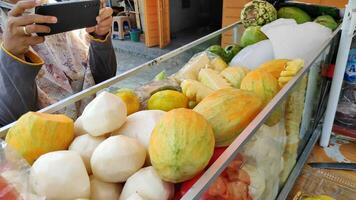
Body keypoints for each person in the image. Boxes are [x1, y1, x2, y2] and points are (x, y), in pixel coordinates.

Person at [0, 0, 117, 126]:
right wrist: (12, 55)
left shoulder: (57, 11)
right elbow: (10, 122)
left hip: (92, 127)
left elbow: (103, 76)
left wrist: (100, 36)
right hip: (45, 140)